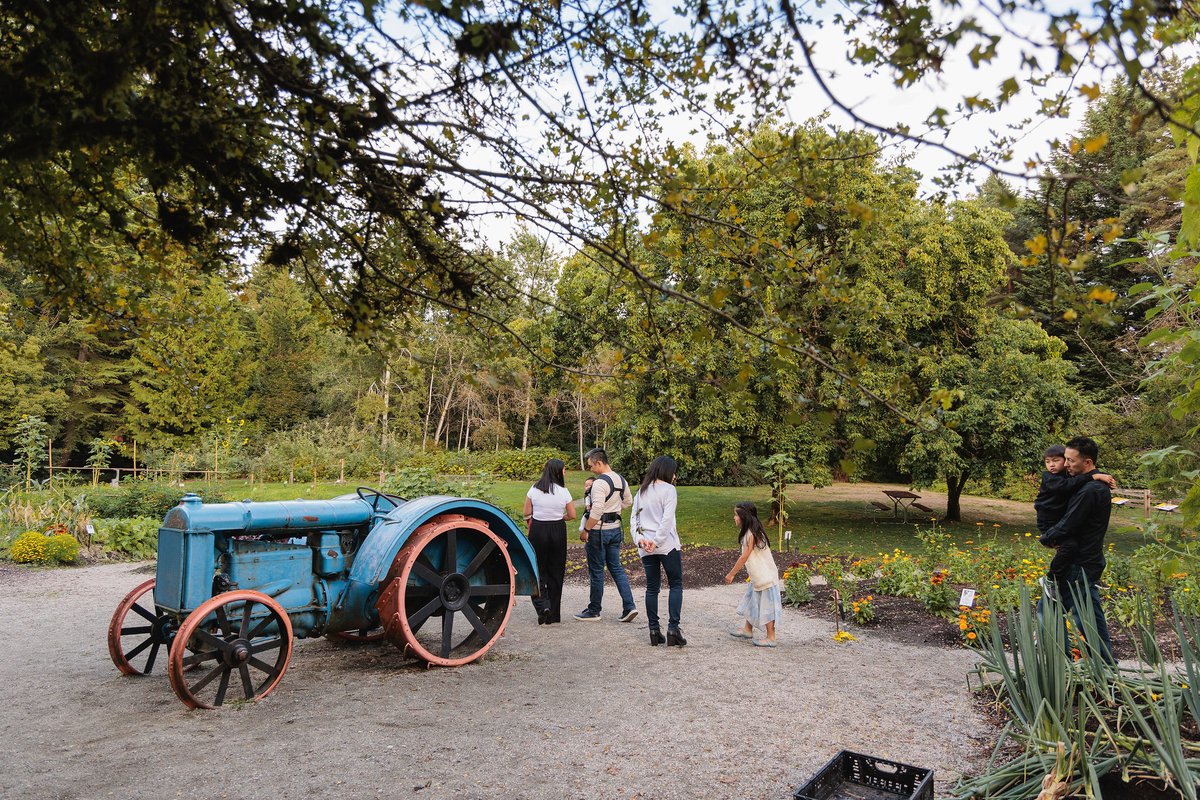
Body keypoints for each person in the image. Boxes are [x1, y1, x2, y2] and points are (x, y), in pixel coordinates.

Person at [1039, 436, 1116, 663]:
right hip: (1087, 560)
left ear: (1088, 462)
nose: (1066, 464)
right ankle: (1105, 663)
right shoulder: (1091, 484)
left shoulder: (1091, 490)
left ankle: (1056, 665)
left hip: (1077, 562)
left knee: (1049, 610)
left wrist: (1047, 538)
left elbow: (1069, 523)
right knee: (1088, 614)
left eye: (1071, 460)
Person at [574, 447, 638, 623]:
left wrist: (586, 530)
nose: (591, 469)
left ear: (599, 463)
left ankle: (594, 610)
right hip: (615, 530)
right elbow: (628, 501)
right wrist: (615, 510)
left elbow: (597, 510)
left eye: (591, 466)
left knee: (596, 571)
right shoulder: (621, 479)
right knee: (616, 568)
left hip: (599, 531)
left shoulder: (599, 483)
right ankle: (629, 606)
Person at [631, 456, 685, 646]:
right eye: (674, 472)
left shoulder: (641, 491)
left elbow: (634, 521)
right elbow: (667, 520)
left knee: (652, 587)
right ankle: (673, 628)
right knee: (676, 584)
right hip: (665, 544)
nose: (675, 476)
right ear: (667, 471)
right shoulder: (669, 490)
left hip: (645, 545)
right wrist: (657, 541)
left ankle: (654, 630)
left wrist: (640, 540)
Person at [523, 458, 576, 625]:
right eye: (564, 469)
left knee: (538, 569)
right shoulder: (563, 491)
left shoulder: (534, 489)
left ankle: (542, 606)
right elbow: (573, 515)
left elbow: (526, 512)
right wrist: (560, 517)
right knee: (556, 571)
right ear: (558, 471)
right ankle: (553, 614)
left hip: (538, 529)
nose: (565, 472)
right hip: (557, 530)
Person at [724, 501, 782, 647]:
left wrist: (732, 574)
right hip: (758, 576)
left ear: (743, 517)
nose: (734, 518)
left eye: (736, 515)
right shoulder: (749, 531)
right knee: (752, 602)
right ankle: (747, 629)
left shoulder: (751, 534)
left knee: (767, 606)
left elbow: (744, 557)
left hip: (765, 577)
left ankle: (771, 637)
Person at [1035, 444, 1115, 535]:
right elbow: (1066, 485)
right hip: (1047, 519)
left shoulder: (1069, 474)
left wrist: (1105, 478)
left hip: (1059, 516)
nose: (1051, 465)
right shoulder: (1049, 477)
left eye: (1056, 461)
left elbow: (1082, 477)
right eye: (1047, 462)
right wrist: (1095, 476)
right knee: (1067, 544)